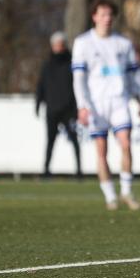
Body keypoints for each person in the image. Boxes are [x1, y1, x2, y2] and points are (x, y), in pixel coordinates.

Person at [72, 0, 140, 210]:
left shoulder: (123, 43)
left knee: (126, 144)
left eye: (110, 14)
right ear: (94, 16)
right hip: (96, 104)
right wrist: (82, 106)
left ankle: (127, 192)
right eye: (102, 14)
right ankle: (110, 196)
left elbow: (132, 78)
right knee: (101, 151)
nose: (107, 18)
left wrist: (138, 103)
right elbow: (79, 78)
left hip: (119, 100)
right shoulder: (83, 43)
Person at [36, 31, 82, 179]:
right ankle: (46, 170)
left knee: (74, 140)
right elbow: (41, 86)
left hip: (68, 109)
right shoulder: (47, 65)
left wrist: (77, 107)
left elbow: (78, 85)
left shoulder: (71, 63)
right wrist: (38, 103)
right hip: (52, 109)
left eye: (61, 45)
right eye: (56, 45)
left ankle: (79, 171)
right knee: (50, 141)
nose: (58, 48)